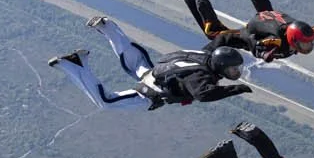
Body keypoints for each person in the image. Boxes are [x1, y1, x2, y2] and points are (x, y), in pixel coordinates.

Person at [52, 18, 252, 110]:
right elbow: (204, 95)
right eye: (232, 69)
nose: (235, 72)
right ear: (220, 65)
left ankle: (106, 27)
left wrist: (250, 39)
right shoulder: (201, 77)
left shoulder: (206, 54)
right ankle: (74, 65)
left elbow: (223, 39)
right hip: (150, 92)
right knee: (106, 102)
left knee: (135, 62)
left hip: (155, 72)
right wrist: (237, 89)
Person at [178, 0, 314, 60]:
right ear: (293, 39)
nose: (306, 48)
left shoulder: (296, 34)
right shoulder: (275, 40)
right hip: (253, 32)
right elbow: (252, 39)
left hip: (272, 24)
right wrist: (260, 51)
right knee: (213, 34)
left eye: (307, 45)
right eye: (304, 45)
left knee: (267, 14)